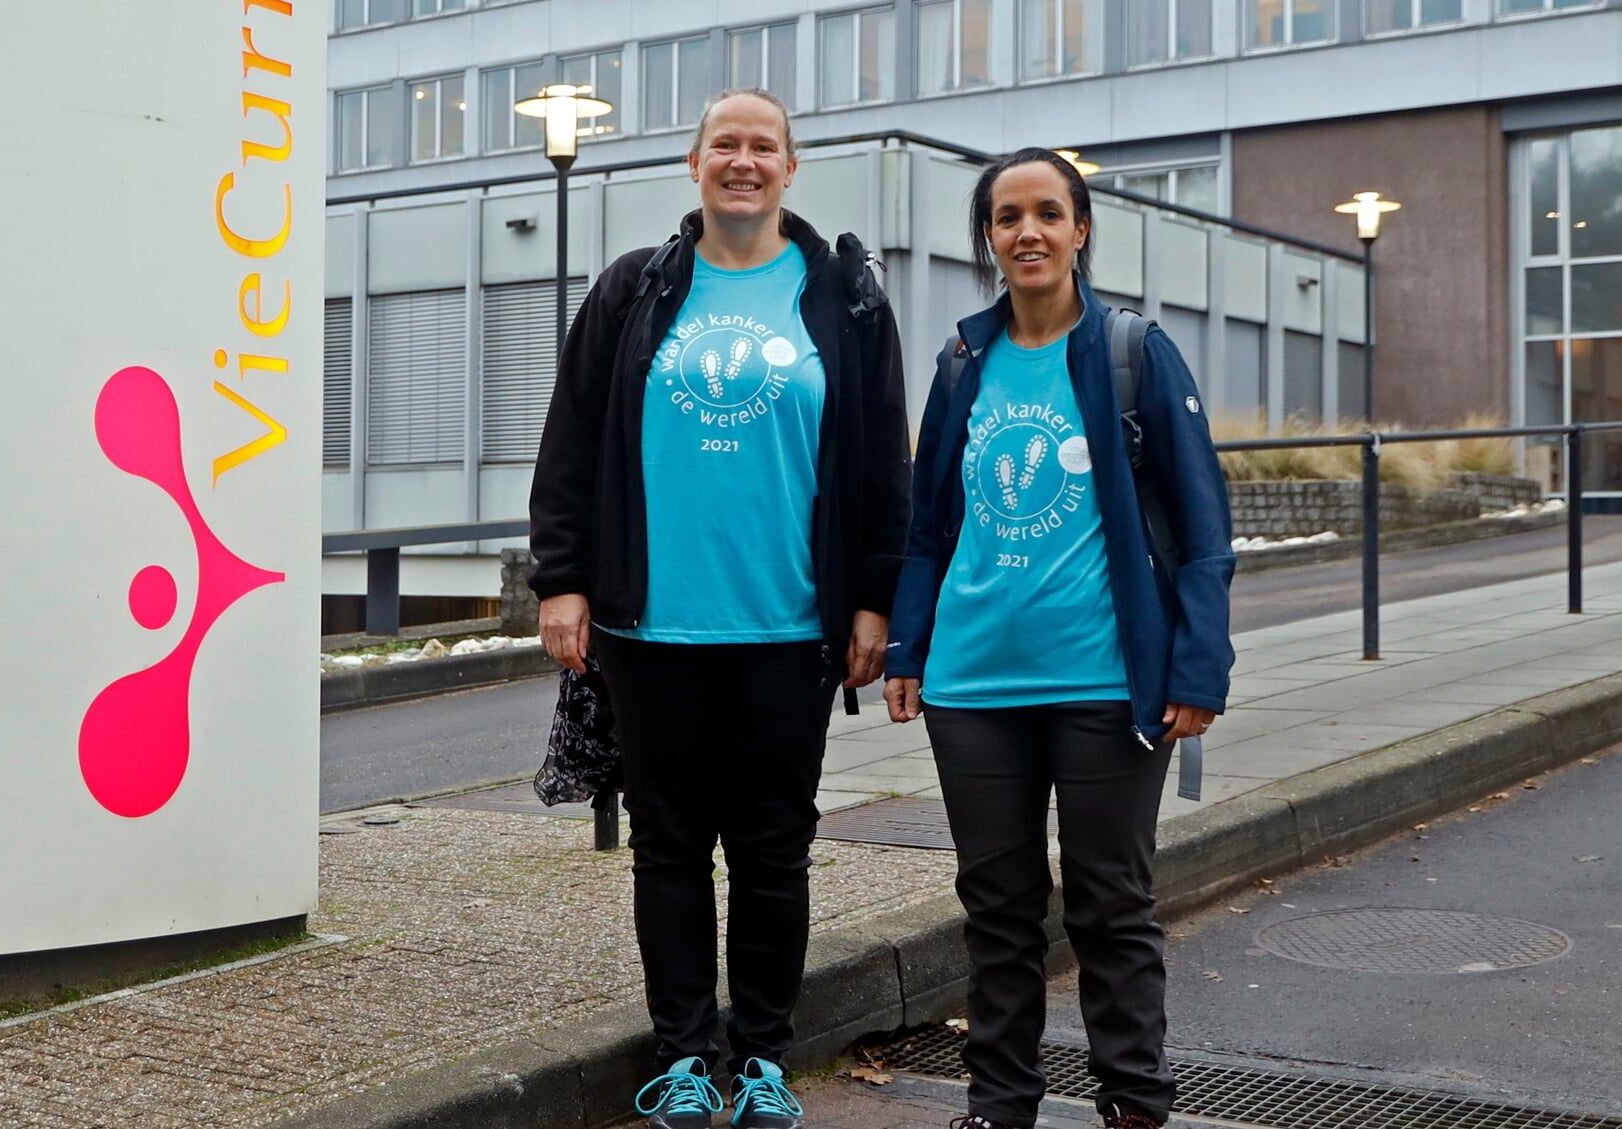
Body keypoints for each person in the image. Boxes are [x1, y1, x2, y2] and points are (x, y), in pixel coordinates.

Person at [528, 88, 911, 1129]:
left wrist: (875, 602)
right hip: (651, 626)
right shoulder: (636, 290)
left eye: (763, 146)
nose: (743, 161)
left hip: (791, 626)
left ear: (790, 168)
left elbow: (884, 462)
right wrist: (560, 579)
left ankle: (763, 1059)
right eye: (724, 145)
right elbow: (569, 445)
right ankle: (686, 1056)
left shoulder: (842, 296)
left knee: (774, 847)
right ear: (692, 164)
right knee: (667, 845)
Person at [882, 148, 1235, 1129]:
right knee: (994, 908)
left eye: (1047, 213)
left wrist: (1199, 662)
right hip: (972, 683)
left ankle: (1132, 1097)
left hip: (1103, 679)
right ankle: (999, 1101)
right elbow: (928, 529)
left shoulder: (1131, 351)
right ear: (988, 238)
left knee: (1108, 901)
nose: (1026, 231)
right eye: (1006, 217)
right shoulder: (961, 361)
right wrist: (909, 649)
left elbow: (1203, 526)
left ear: (1080, 229)